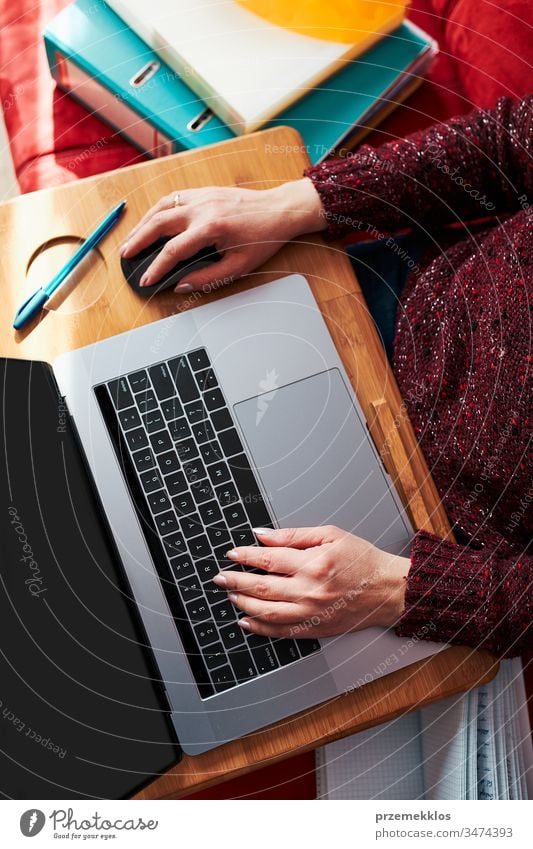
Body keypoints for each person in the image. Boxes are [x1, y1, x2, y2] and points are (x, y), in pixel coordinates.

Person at [121, 96, 532, 658]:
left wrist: (399, 590)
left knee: (164, 617)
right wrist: (295, 204)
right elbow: (506, 143)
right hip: (399, 299)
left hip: (425, 525)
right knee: (112, 409)